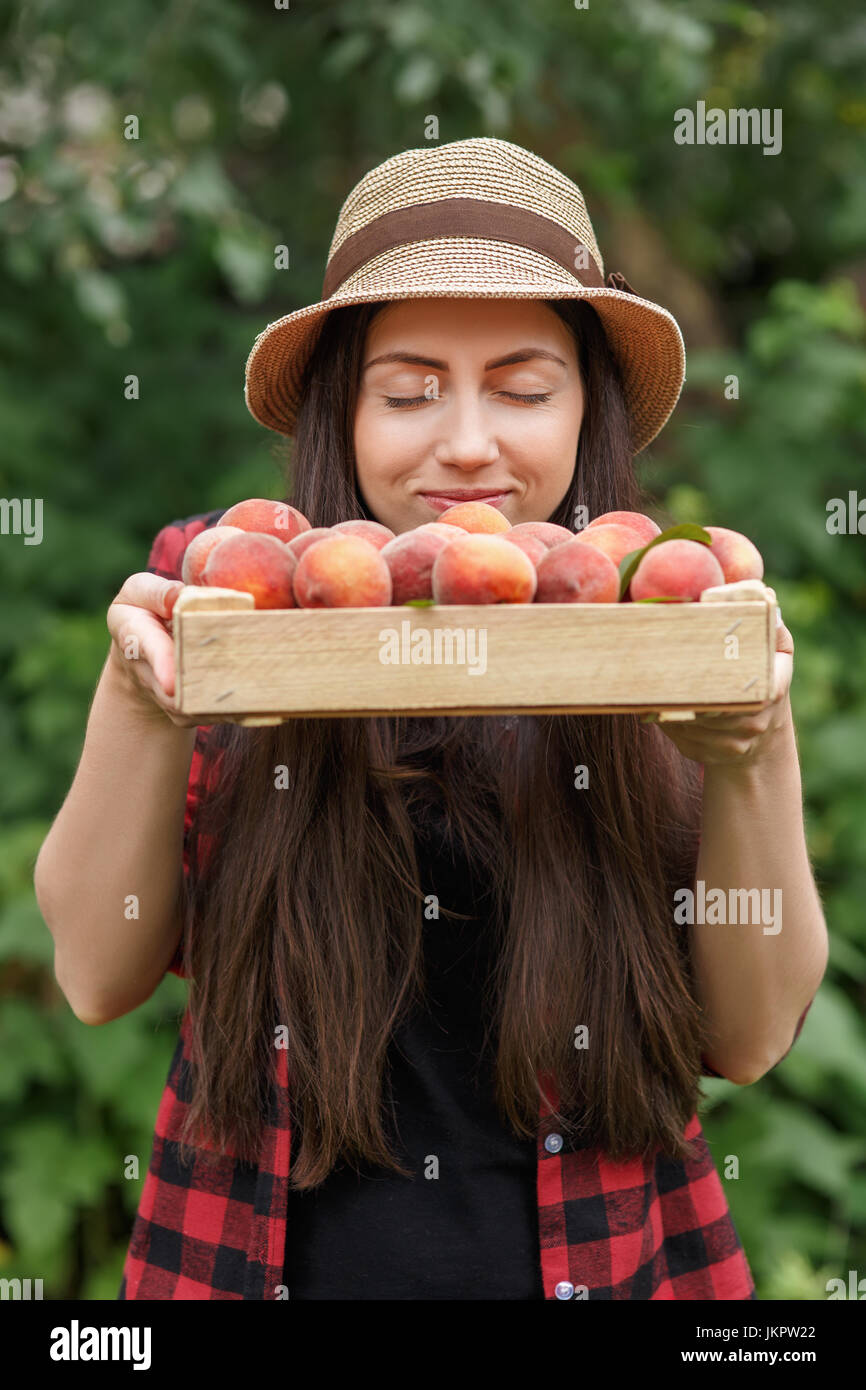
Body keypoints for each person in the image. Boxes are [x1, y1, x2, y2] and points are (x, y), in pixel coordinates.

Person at [34, 137, 827, 1300]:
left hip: (607, 1271)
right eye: (407, 391)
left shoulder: (654, 615)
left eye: (520, 388)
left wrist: (753, 750)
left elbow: (750, 1037)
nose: (464, 441)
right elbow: (96, 972)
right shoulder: (235, 601)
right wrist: (138, 702)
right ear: (340, 414)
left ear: (583, 411)